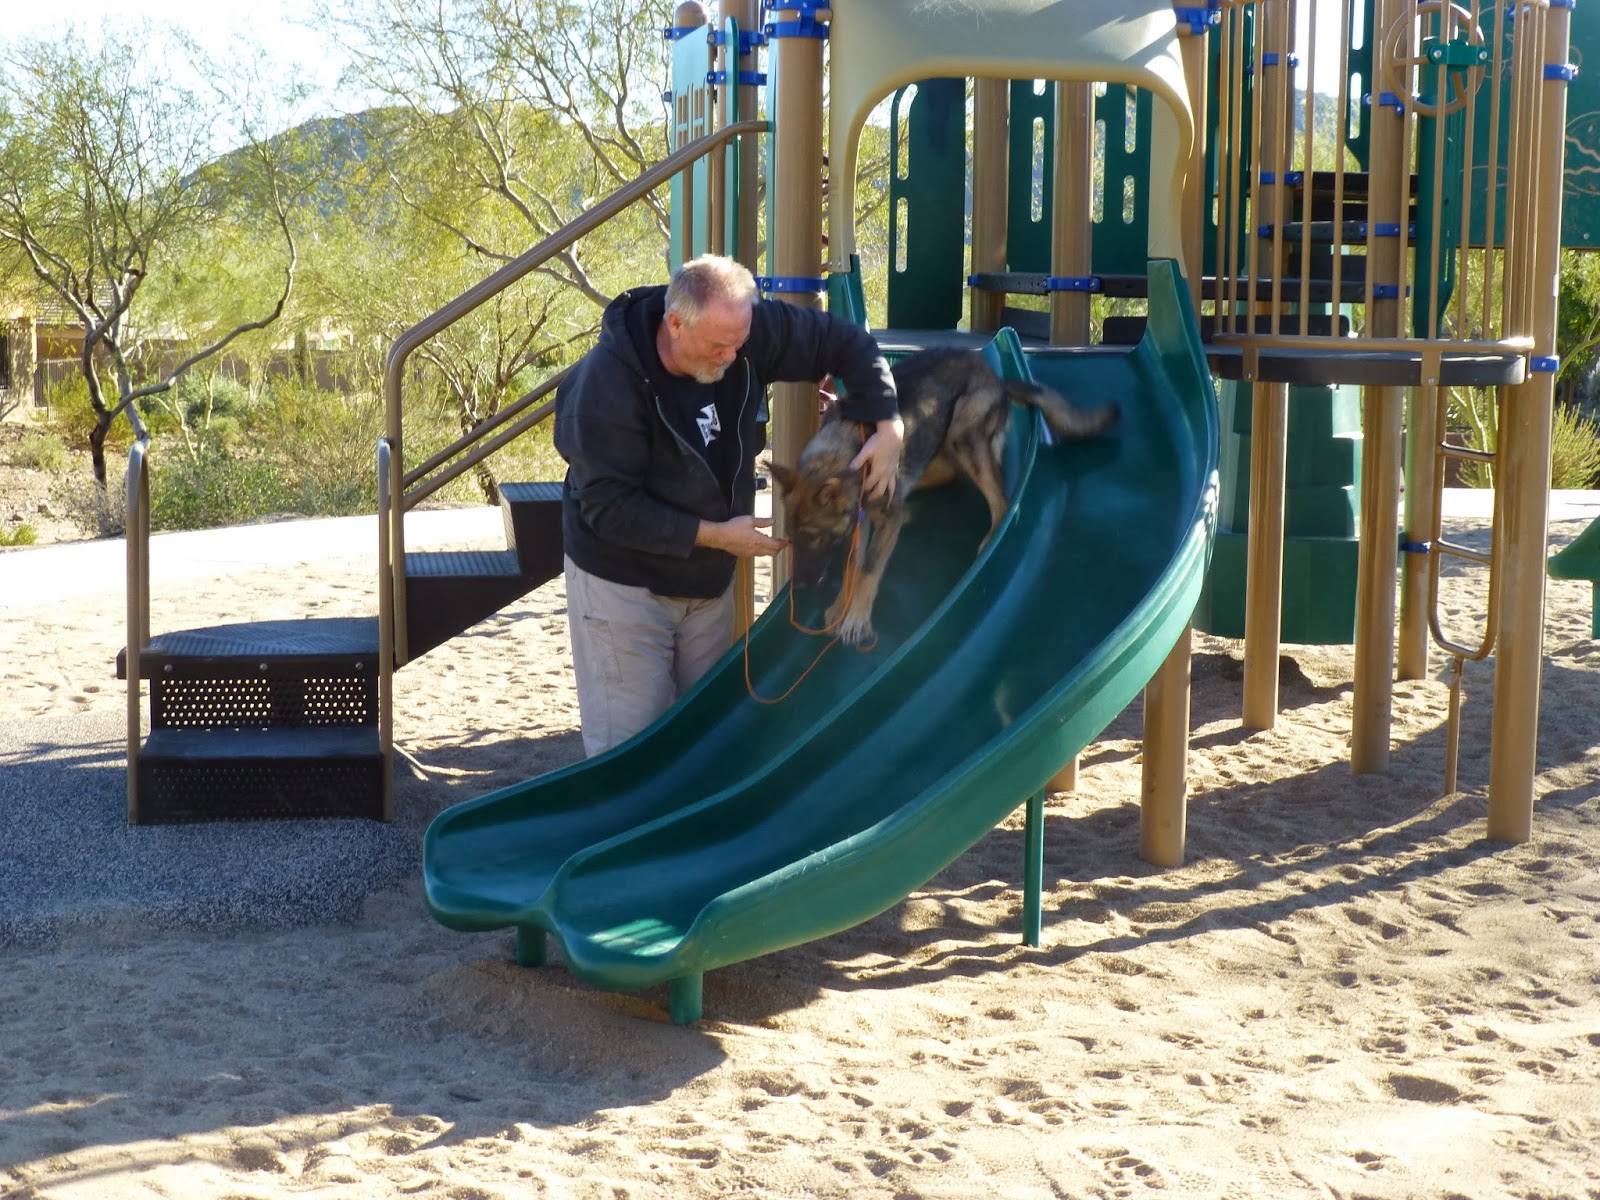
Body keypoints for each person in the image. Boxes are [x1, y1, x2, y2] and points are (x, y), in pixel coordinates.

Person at [554, 254, 903, 757]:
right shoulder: (608, 385)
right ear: (675, 324)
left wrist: (888, 422)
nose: (731, 357)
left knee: (710, 740)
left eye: (739, 344)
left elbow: (846, 341)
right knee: (630, 754)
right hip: (624, 584)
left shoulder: (741, 333)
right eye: (719, 346)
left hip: (710, 581)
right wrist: (717, 536)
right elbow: (607, 508)